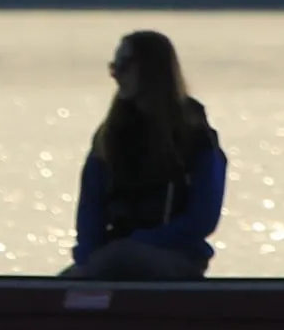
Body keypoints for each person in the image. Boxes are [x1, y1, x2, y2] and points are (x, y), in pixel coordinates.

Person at [63, 30, 227, 280]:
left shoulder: (196, 137)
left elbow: (202, 218)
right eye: (113, 67)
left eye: (124, 65)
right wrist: (86, 257)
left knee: (120, 257)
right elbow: (90, 209)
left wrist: (142, 241)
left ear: (152, 69)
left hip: (178, 257)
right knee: (71, 282)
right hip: (114, 256)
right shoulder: (109, 137)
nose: (116, 75)